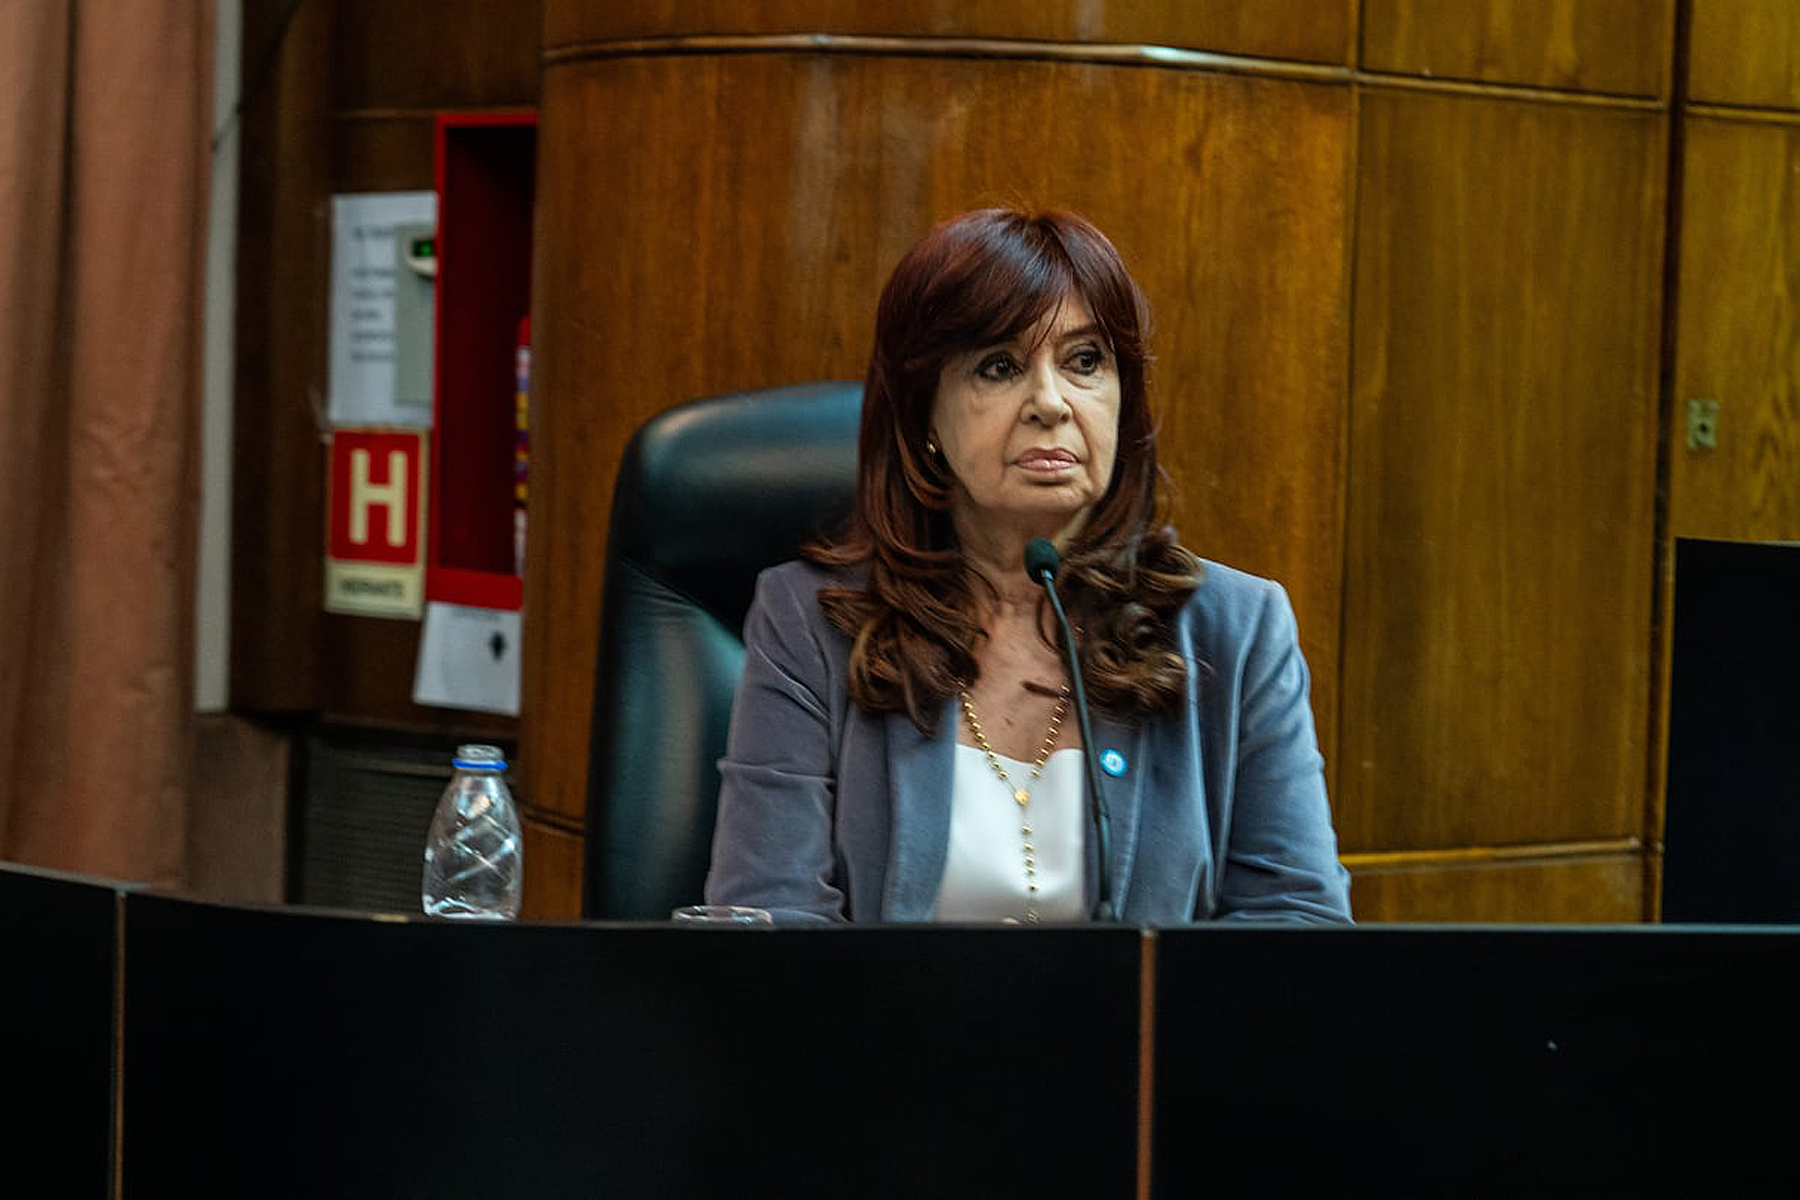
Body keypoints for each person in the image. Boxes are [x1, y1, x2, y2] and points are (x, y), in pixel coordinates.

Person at [705, 207, 1351, 925]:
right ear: (924, 416)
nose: (1050, 403)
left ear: (1122, 399)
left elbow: (1297, 928)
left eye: (1084, 362)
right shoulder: (809, 623)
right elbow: (765, 926)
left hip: (1150, 1041)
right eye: (1000, 367)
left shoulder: (1237, 631)